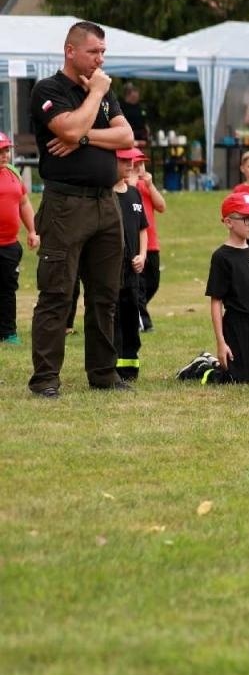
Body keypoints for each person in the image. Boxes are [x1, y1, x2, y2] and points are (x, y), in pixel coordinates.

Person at [28, 20, 137, 398]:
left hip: (106, 204)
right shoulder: (49, 90)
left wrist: (87, 136)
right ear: (70, 51)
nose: (100, 59)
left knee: (105, 294)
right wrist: (95, 99)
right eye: (93, 52)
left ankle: (103, 374)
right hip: (65, 204)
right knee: (57, 293)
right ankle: (45, 379)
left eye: (103, 52)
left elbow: (126, 137)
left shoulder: (103, 92)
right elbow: (67, 130)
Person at [180, 193, 249, 384]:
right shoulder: (222, 257)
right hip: (238, 326)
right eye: (247, 218)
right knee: (235, 379)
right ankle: (201, 367)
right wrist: (221, 342)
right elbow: (216, 301)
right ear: (229, 222)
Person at [111, 148, 149, 381]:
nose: (129, 164)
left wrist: (142, 255)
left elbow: (143, 228)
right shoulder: (106, 195)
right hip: (112, 271)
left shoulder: (134, 194)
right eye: (123, 161)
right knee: (112, 319)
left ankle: (130, 365)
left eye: (130, 161)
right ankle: (111, 367)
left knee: (129, 317)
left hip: (133, 271)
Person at [0, 132, 40, 346]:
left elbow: (24, 203)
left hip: (9, 246)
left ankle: (8, 332)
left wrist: (33, 231)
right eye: (0, 151)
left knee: (7, 290)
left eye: (6, 150)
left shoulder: (13, 173)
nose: (4, 155)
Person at [132, 152, 166, 330]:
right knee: (138, 284)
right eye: (135, 164)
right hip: (135, 244)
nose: (139, 168)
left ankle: (136, 309)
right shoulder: (126, 187)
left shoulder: (146, 186)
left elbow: (161, 206)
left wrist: (150, 185)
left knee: (153, 281)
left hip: (152, 243)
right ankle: (144, 322)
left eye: (142, 164)